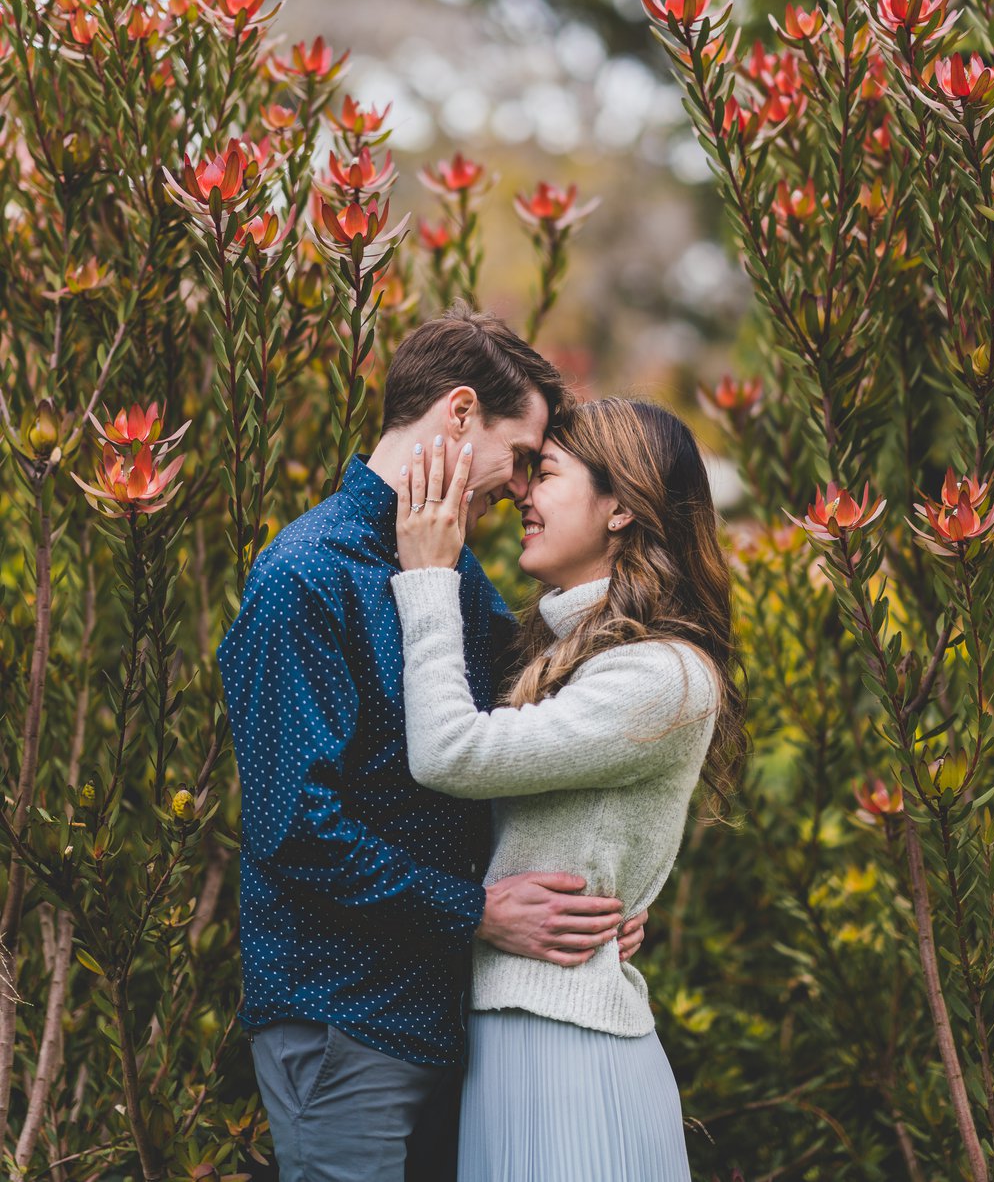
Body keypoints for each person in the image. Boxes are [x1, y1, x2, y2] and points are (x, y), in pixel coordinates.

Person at [215, 305, 648, 1182]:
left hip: (451, 1019)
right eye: (521, 456)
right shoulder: (300, 578)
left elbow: (519, 750)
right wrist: (480, 912)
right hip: (341, 1023)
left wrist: (595, 896)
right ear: (457, 414)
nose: (522, 488)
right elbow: (291, 826)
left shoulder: (456, 574)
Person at [390, 395, 747, 1182]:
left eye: (545, 473)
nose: (523, 493)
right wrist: (611, 888)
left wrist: (426, 581)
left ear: (620, 506)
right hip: (519, 1035)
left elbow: (453, 751)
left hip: (568, 1048)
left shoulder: (662, 672)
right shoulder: (566, 650)